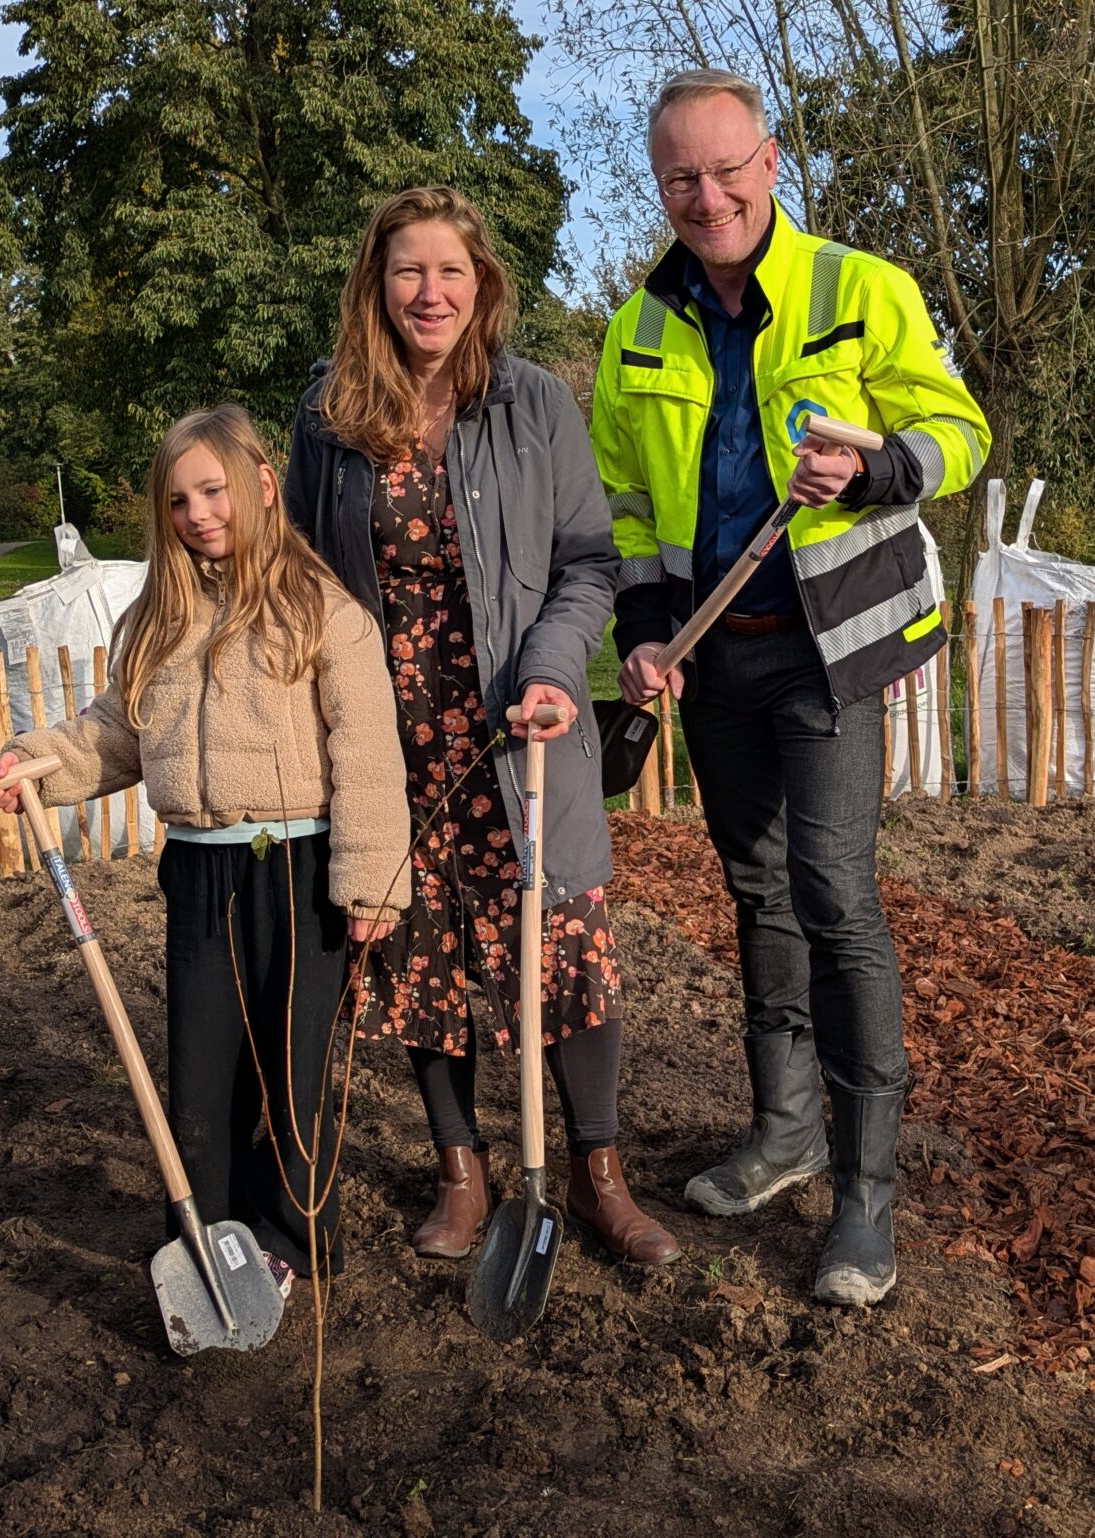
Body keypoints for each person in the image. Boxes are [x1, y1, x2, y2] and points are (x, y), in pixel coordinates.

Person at [591, 70, 991, 1305]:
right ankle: (783, 1131)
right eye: (678, 178)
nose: (704, 197)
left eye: (723, 169)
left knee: (829, 889)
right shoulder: (635, 332)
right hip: (714, 651)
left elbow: (960, 435)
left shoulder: (861, 290)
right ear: (657, 186)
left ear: (769, 162)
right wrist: (648, 634)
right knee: (752, 887)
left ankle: (865, 1190)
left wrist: (875, 469)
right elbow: (625, 508)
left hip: (830, 641)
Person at [285, 186, 679, 1267]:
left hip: (524, 725)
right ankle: (459, 1168)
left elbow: (587, 562)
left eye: (450, 271)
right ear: (376, 283)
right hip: (393, 735)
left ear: (482, 285)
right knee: (420, 954)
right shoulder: (326, 418)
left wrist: (555, 671)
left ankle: (599, 1173)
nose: (430, 291)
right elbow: (303, 577)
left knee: (566, 947)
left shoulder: (533, 404)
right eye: (408, 270)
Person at [0, 405, 411, 1297]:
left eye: (213, 491)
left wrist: (372, 881)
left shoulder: (323, 611)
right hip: (199, 870)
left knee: (292, 1077)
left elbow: (366, 753)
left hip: (300, 873)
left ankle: (289, 1245)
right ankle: (207, 1236)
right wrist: (37, 761)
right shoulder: (157, 620)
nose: (198, 514)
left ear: (261, 484)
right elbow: (117, 733)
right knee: (204, 1075)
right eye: (178, 501)